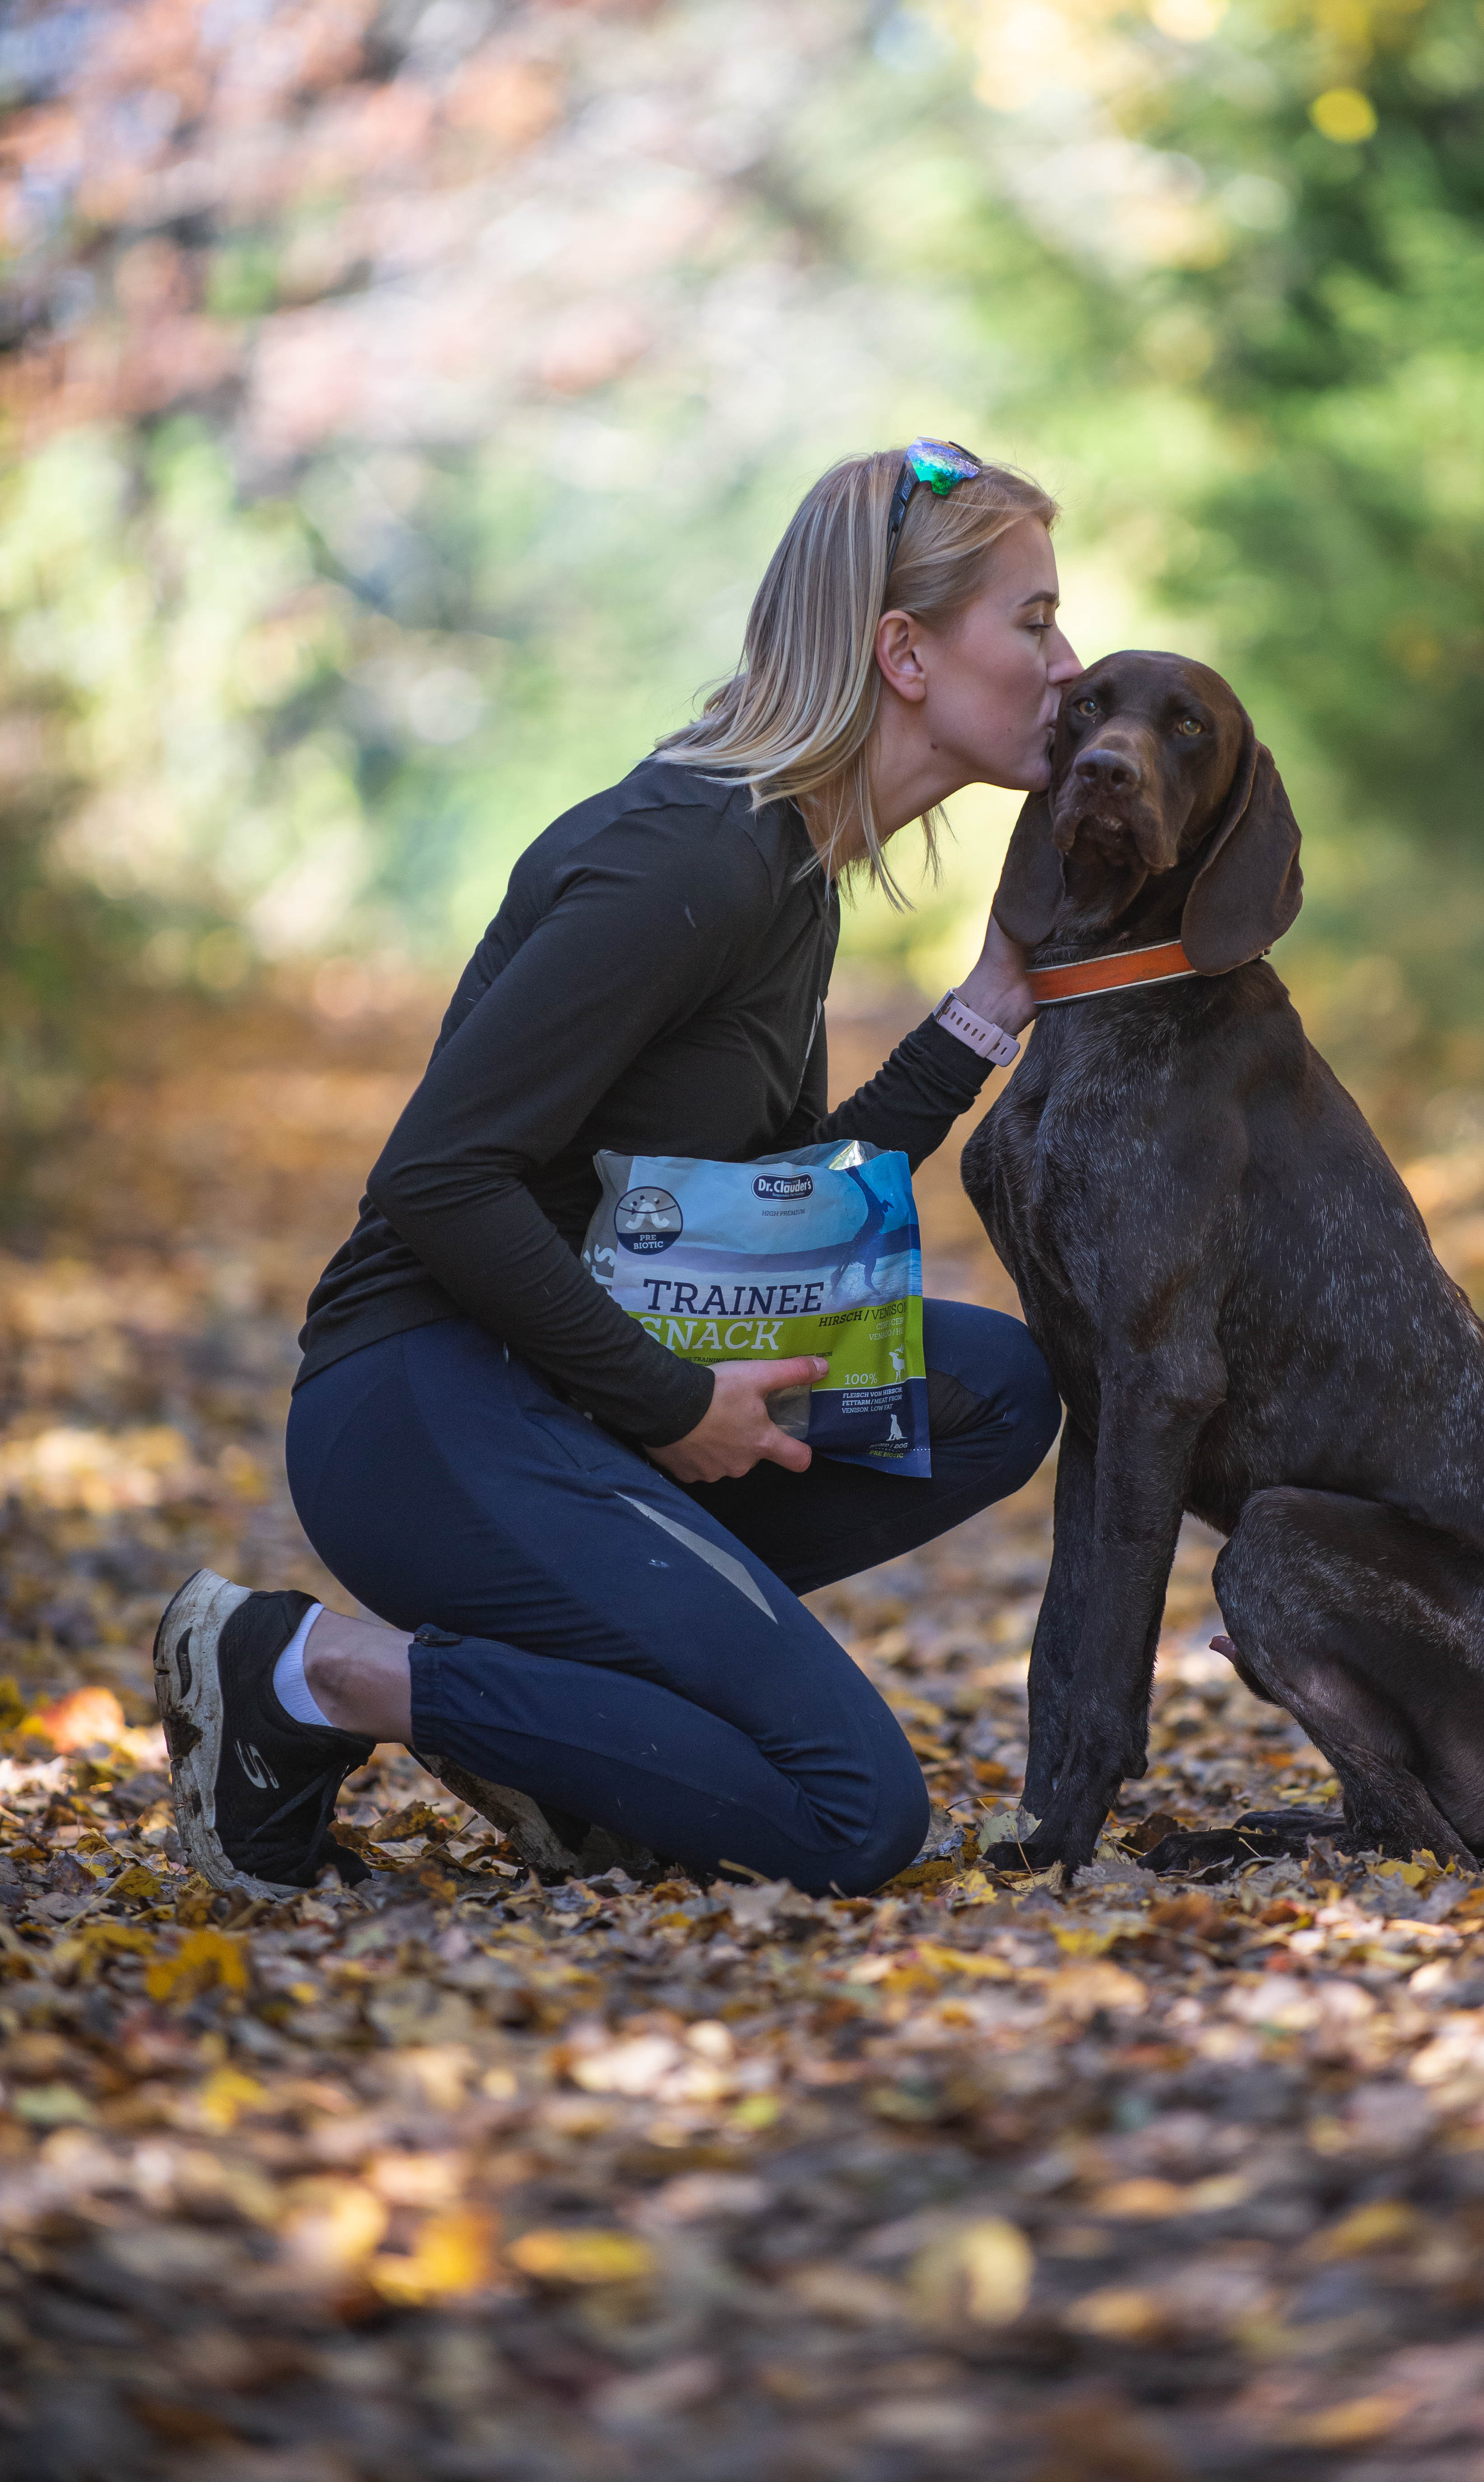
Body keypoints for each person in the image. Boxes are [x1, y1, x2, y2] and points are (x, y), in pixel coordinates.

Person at [154, 440, 1080, 1902]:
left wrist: (988, 1009)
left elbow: (766, 1209)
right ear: (904, 653)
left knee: (995, 1391)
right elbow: (437, 1180)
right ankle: (303, 1674)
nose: (1067, 665)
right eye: (1033, 621)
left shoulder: (789, 874)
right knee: (852, 1816)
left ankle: (566, 1725)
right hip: (425, 1403)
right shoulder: (689, 859)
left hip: (569, 1390)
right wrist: (669, 1404)